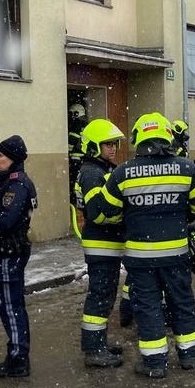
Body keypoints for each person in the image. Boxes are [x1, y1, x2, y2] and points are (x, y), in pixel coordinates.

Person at [95, 112, 195, 379]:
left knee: (147, 306)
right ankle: (190, 355)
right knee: (181, 301)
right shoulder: (187, 167)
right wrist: (179, 214)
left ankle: (154, 363)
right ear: (168, 137)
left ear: (138, 138)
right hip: (176, 254)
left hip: (140, 256)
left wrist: (134, 214)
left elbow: (108, 211)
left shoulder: (123, 172)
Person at [0, 135, 38, 378]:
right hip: (9, 251)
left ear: (12, 158)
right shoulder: (15, 182)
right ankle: (16, 355)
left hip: (9, 253)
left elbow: (6, 221)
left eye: (1, 155)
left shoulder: (16, 185)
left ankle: (18, 359)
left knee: (11, 307)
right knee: (12, 305)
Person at [75, 118, 128, 368]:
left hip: (107, 243)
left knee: (106, 294)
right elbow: (97, 213)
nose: (113, 148)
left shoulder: (102, 170)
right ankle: (94, 350)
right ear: (93, 146)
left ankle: (99, 343)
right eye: (107, 144)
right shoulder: (92, 173)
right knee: (100, 295)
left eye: (114, 144)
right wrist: (126, 216)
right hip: (101, 244)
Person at [68, 103, 88, 202]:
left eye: (73, 113)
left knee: (75, 182)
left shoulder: (76, 124)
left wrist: (67, 152)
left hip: (76, 160)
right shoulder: (87, 124)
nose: (71, 115)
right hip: (85, 159)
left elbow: (71, 142)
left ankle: (75, 200)